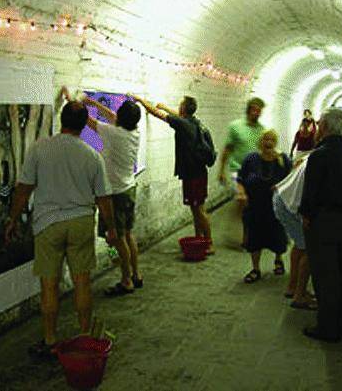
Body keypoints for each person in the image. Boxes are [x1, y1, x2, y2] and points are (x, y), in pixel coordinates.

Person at [4, 100, 117, 359]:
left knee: (50, 286)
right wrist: (110, 228)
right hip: (81, 222)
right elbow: (104, 199)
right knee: (82, 283)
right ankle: (86, 336)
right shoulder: (92, 156)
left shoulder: (39, 149)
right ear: (82, 125)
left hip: (48, 224)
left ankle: (50, 340)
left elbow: (24, 189)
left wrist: (12, 219)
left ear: (62, 120)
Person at [299, 108, 342, 342]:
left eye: (319, 124)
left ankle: (328, 328)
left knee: (325, 275)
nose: (317, 128)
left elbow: (311, 193)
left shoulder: (318, 156)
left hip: (322, 222)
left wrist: (306, 216)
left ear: (326, 127)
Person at [68, 89, 143, 296]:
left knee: (115, 240)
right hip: (128, 189)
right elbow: (113, 117)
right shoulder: (133, 133)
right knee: (127, 235)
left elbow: (87, 121)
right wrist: (91, 100)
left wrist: (72, 101)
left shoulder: (113, 133)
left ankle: (126, 279)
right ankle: (136, 274)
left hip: (115, 195)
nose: (114, 115)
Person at [132, 94, 215, 255]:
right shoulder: (193, 122)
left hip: (194, 175)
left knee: (199, 210)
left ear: (183, 108)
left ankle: (209, 243)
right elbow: (176, 116)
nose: (179, 108)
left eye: (180, 105)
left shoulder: (183, 124)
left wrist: (141, 100)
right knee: (195, 208)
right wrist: (163, 106)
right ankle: (199, 239)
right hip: (197, 172)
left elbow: (158, 115)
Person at [237, 129, 292, 283]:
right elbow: (240, 179)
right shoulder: (251, 159)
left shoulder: (283, 160)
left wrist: (282, 189)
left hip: (276, 206)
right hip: (255, 206)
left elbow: (291, 179)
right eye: (265, 139)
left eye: (271, 140)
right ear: (260, 142)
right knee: (254, 237)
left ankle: (278, 259)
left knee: (278, 236)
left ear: (275, 142)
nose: (268, 142)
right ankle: (256, 269)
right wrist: (242, 193)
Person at [218, 97, 266, 246]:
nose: (256, 113)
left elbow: (263, 151)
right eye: (254, 109)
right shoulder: (236, 127)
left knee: (249, 205)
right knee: (242, 199)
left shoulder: (262, 130)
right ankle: (245, 236)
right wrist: (221, 170)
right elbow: (228, 149)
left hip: (255, 172)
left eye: (259, 111)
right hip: (237, 169)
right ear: (248, 109)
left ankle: (244, 230)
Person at [273, 153, 316, 309]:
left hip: (283, 198)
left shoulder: (315, 154)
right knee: (308, 248)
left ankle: (293, 288)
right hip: (288, 204)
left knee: (300, 244)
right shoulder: (324, 160)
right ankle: (299, 294)